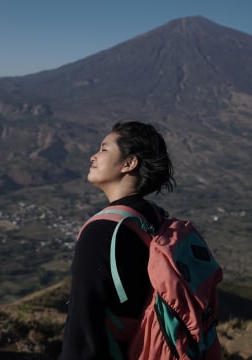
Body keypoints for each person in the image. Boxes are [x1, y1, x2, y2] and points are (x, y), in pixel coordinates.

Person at [60, 121, 176, 359]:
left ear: (129, 163)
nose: (93, 156)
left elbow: (83, 319)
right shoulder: (153, 217)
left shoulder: (103, 230)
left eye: (103, 149)